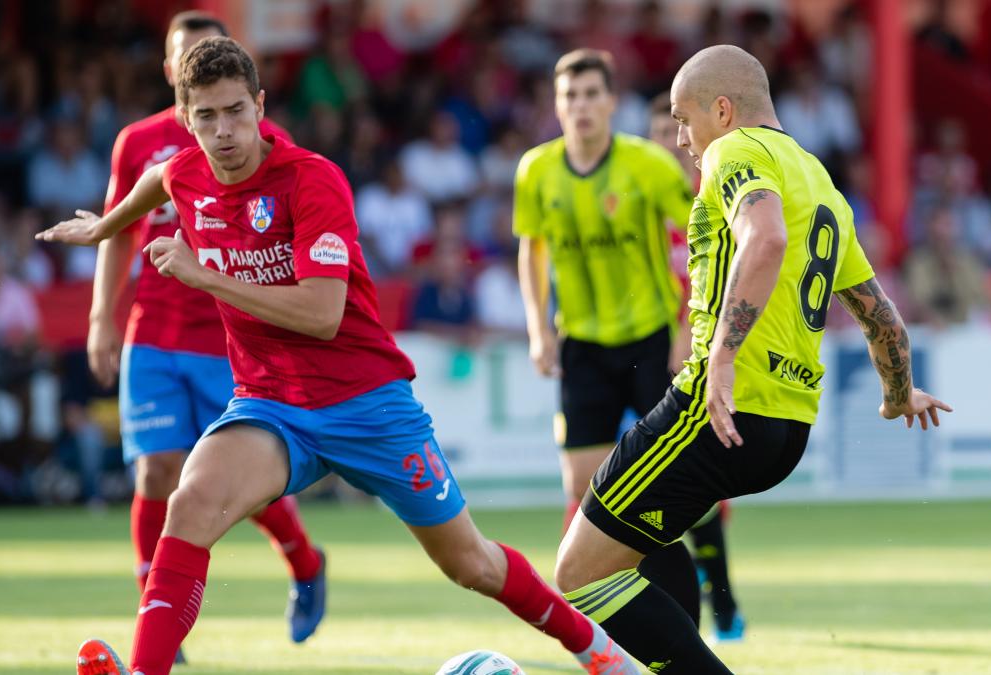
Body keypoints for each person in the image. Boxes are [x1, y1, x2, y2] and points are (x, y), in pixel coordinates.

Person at [43, 36, 637, 675]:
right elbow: (158, 180)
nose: (224, 132)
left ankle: (597, 652)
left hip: (368, 403)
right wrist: (107, 226)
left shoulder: (311, 179)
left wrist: (206, 276)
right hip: (271, 403)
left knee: (473, 565)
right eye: (206, 117)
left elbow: (322, 315)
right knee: (188, 504)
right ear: (184, 119)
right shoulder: (184, 171)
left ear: (261, 106)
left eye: (236, 111)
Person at [553, 45, 952, 673]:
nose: (682, 139)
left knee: (578, 573)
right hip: (785, 431)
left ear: (722, 109)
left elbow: (764, 237)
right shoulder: (821, 184)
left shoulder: (734, 151)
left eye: (685, 120)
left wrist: (721, 358)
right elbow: (883, 318)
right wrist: (899, 392)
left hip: (718, 407)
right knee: (638, 550)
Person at [87, 13, 327, 659]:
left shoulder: (264, 141)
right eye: (186, 54)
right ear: (171, 70)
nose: (199, 61)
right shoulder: (138, 143)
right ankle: (155, 614)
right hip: (152, 333)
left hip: (227, 336)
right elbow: (115, 230)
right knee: (156, 472)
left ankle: (304, 560)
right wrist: (101, 318)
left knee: (230, 485)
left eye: (212, 53)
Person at [514, 49, 701, 622]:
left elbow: (702, 232)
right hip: (583, 347)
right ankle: (599, 609)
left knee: (654, 493)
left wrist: (686, 326)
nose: (582, 106)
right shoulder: (536, 170)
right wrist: (539, 332)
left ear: (612, 103)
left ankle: (680, 616)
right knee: (583, 483)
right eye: (571, 96)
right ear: (557, 104)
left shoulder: (648, 165)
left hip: (649, 341)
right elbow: (532, 249)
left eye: (593, 94)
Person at [647, 92, 745, 643]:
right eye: (659, 135)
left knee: (700, 496)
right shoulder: (638, 208)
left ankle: (722, 602)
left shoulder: (716, 201)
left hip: (698, 360)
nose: (670, 144)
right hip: (638, 361)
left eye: (675, 132)